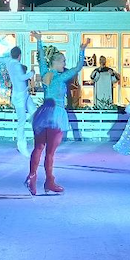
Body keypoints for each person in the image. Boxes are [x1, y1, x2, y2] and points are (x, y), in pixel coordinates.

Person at [25, 33, 89, 195]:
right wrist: (82, 50)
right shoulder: (60, 77)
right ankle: (49, 181)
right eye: (63, 61)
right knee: (50, 153)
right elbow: (78, 67)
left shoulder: (45, 72)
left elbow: (41, 58)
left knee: (38, 147)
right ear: (56, 62)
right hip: (56, 115)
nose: (65, 64)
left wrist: (39, 41)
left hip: (43, 114)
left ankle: (32, 176)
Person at [0, 46, 36, 156]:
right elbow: (21, 78)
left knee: (34, 113)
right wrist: (31, 73)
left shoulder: (9, 61)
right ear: (19, 56)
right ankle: (21, 145)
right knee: (22, 120)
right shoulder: (17, 65)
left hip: (24, 93)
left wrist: (3, 57)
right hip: (19, 96)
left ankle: (38, 138)